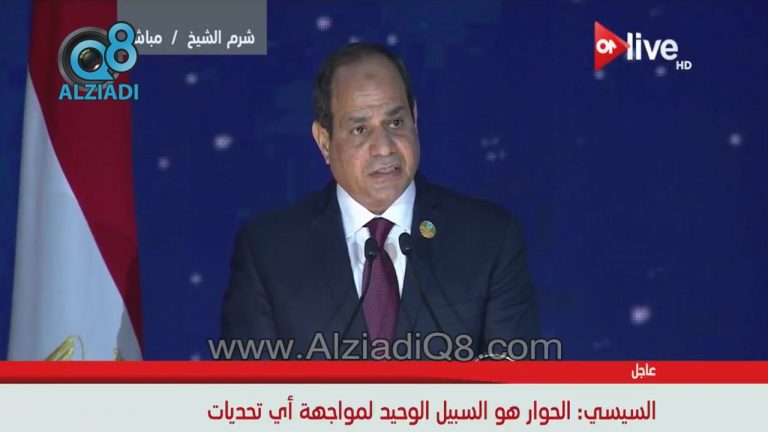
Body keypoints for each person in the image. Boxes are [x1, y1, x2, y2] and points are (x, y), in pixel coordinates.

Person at [220, 43, 540, 360]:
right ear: (325, 142)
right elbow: (247, 387)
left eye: (395, 123)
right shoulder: (268, 253)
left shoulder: (489, 238)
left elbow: (516, 381)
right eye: (360, 130)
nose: (384, 147)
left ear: (415, 118)